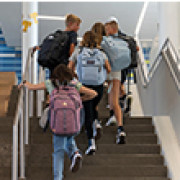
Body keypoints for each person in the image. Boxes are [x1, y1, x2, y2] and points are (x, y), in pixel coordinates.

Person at [18, 64, 97, 180]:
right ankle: (75, 153)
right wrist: (80, 101)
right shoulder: (74, 84)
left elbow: (32, 87)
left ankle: (58, 177)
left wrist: (24, 82)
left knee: (58, 151)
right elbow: (94, 93)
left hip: (58, 123)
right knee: (70, 138)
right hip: (73, 122)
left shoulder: (50, 83)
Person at [68, 31, 111, 155]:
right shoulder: (102, 53)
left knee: (88, 112)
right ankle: (96, 123)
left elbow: (69, 67)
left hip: (84, 86)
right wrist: (101, 75)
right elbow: (108, 69)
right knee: (93, 107)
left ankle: (91, 142)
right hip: (98, 86)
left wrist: (77, 76)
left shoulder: (79, 52)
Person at [102, 16, 126, 144]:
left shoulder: (107, 41)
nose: (106, 31)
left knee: (107, 99)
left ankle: (96, 123)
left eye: (107, 29)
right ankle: (120, 128)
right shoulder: (122, 41)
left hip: (107, 72)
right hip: (117, 73)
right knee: (115, 101)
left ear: (111, 29)